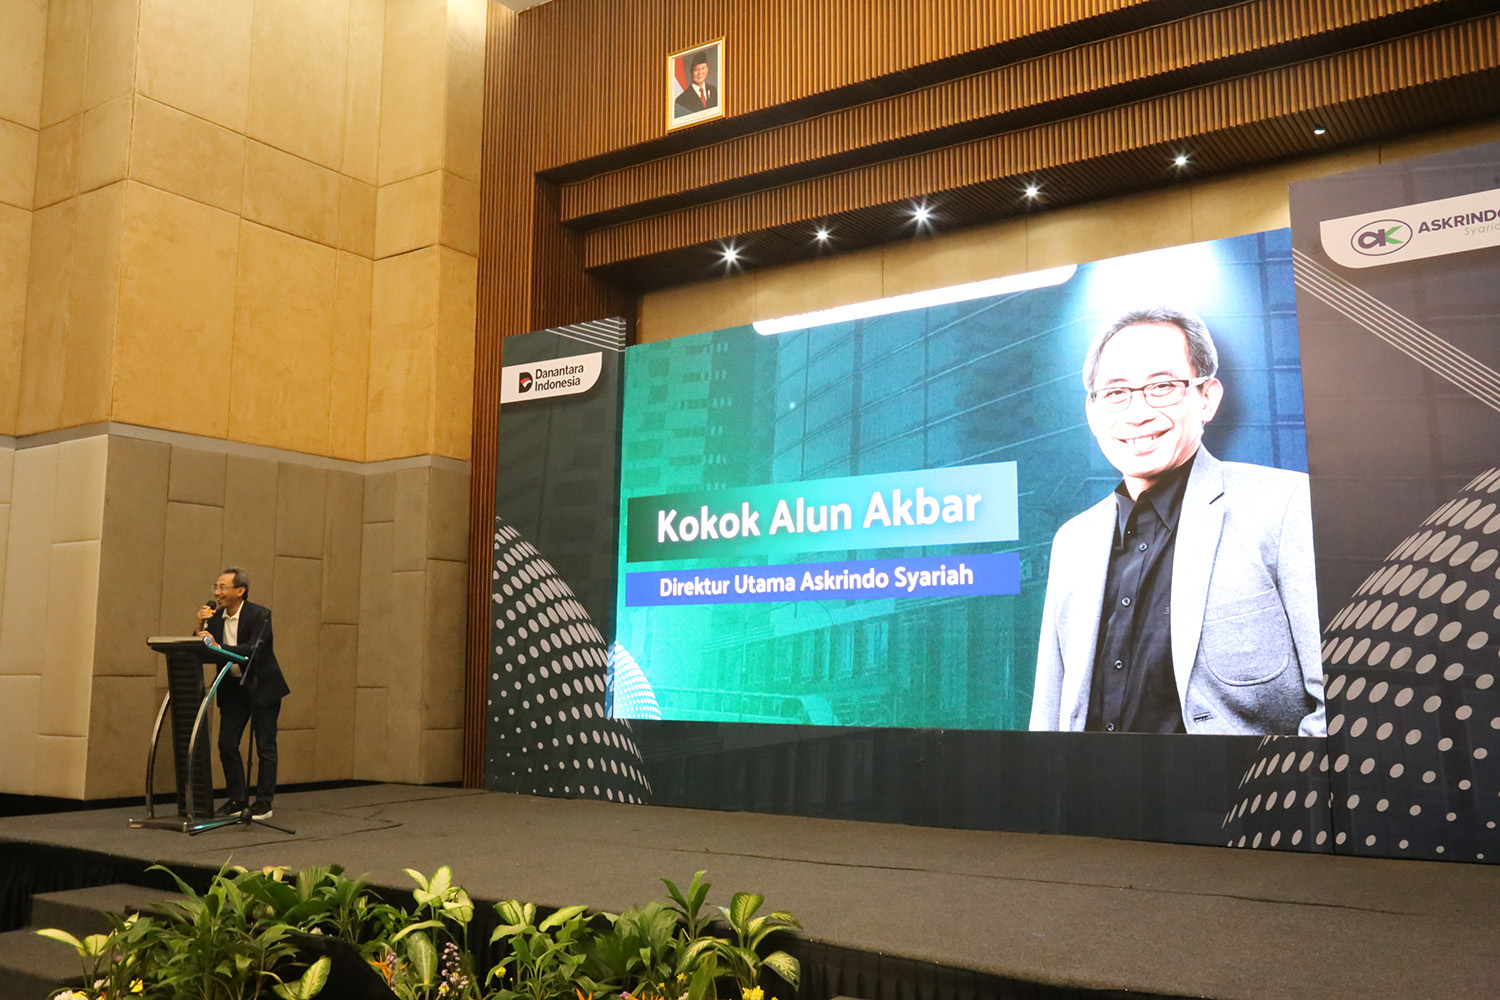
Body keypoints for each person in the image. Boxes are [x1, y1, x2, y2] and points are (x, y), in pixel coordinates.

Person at [1030, 307, 1325, 736]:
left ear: (1207, 398)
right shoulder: (1073, 541)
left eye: (1162, 387)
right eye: (1115, 392)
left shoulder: (1285, 507)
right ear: (1092, 411)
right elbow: (1049, 716)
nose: (1137, 413)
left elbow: (1340, 703)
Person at [196, 567, 290, 818]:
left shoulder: (260, 615)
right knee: (226, 744)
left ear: (240, 591)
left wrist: (219, 646)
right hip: (232, 689)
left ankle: (264, 803)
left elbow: (252, 650)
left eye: (222, 587)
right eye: (215, 587)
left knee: (265, 746)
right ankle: (237, 799)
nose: (217, 593)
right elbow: (202, 649)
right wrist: (199, 625)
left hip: (262, 686)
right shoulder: (215, 617)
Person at [673, 50, 717, 117]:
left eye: (703, 68)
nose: (700, 73)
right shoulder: (681, 99)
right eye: (696, 69)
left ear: (707, 69)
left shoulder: (713, 91)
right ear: (691, 72)